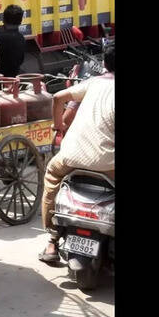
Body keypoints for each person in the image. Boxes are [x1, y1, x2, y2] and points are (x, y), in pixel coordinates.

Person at [38, 46, 115, 264]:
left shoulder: (93, 83)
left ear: (105, 64)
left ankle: (52, 241)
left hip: (71, 156)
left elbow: (58, 97)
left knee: (52, 177)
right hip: (107, 164)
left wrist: (58, 125)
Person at [0, 4, 27, 77]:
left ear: (3, 19)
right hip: (14, 77)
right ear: (21, 21)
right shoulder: (21, 38)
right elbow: (20, 60)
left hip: (0, 79)